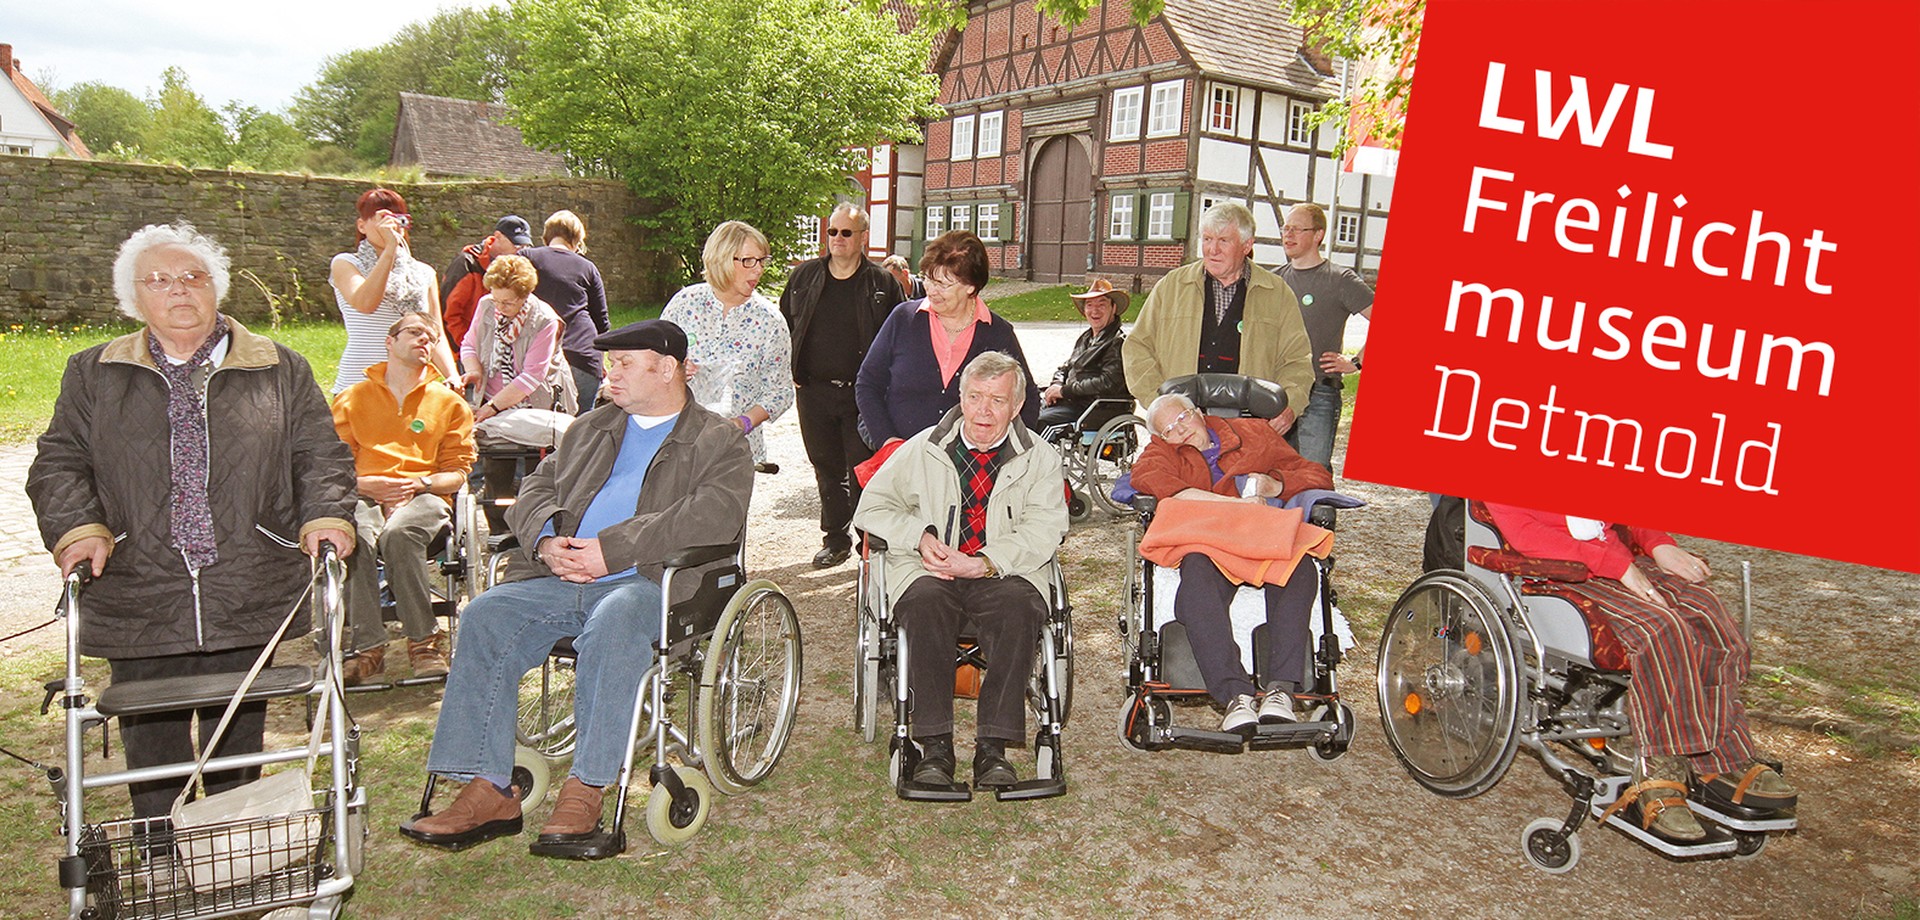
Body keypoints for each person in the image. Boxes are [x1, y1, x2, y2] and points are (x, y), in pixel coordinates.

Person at [27, 221, 356, 820]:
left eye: (193, 277)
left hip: (247, 578)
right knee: (150, 735)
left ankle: (232, 855)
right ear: (134, 297)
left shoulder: (280, 367)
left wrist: (326, 514)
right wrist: (80, 528)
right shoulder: (92, 372)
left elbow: (319, 454)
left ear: (216, 288)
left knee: (238, 730)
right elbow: (59, 461)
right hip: (137, 582)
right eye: (158, 281)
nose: (179, 291)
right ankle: (158, 854)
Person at [401, 319, 752, 853]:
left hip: (653, 584)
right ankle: (487, 787)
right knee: (483, 616)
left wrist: (613, 549)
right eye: (609, 365)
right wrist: (545, 541)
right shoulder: (591, 427)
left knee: (615, 622)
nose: (609, 375)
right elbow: (535, 489)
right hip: (562, 575)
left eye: (624, 364)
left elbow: (713, 516)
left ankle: (587, 785)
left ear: (667, 369)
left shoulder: (718, 440)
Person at [1483, 503, 1796, 842]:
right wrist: (1619, 567)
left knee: (1711, 618)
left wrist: (1661, 545)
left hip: (1617, 563)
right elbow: (1526, 534)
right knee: (1661, 631)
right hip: (1557, 574)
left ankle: (1721, 758)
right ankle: (1657, 774)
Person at [852, 352, 1068, 790]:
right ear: (962, 397)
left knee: (1021, 608)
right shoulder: (922, 448)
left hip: (1002, 572)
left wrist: (985, 562)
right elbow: (871, 509)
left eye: (998, 400)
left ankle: (994, 748)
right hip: (929, 569)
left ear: (1016, 405)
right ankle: (934, 747)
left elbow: (1046, 528)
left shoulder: (1040, 459)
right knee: (924, 603)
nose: (984, 410)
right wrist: (919, 537)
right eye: (975, 397)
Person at [1129, 392, 1332, 732]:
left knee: (1301, 569)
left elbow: (1315, 473)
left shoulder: (1253, 432)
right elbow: (1158, 485)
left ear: (1198, 412)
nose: (1179, 432)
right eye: (1168, 431)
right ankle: (1236, 695)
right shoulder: (1160, 452)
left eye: (1182, 420)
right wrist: (1239, 506)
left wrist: (1276, 484)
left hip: (1262, 536)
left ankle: (1280, 691)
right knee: (1195, 583)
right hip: (1209, 542)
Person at [331, 313, 477, 685]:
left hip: (424, 493)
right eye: (415, 333)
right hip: (364, 490)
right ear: (389, 341)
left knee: (400, 534)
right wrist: (368, 485)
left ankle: (424, 642)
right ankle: (368, 649)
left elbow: (458, 472)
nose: (424, 341)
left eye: (430, 336)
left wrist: (419, 483)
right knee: (357, 538)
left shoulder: (449, 404)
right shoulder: (353, 399)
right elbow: (331, 465)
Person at [780, 203, 905, 568]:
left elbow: (899, 336)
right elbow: (784, 325)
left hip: (862, 394)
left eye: (845, 233)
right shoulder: (803, 278)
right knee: (826, 467)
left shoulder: (882, 284)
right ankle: (835, 539)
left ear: (863, 238)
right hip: (814, 390)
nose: (836, 239)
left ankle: (868, 540)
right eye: (832, 232)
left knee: (863, 466)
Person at [1121, 202, 1313, 434]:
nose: (1213, 250)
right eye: (1207, 239)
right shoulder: (1172, 286)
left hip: (1251, 428)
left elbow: (1297, 361)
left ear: (1246, 245)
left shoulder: (1277, 293)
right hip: (1181, 428)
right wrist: (1160, 404)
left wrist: (1289, 405)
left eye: (1223, 240)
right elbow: (1136, 349)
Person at [856, 230, 1041, 448]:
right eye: (928, 279)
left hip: (966, 469)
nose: (931, 291)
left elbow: (1026, 398)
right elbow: (867, 384)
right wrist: (887, 441)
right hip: (901, 458)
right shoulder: (903, 319)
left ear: (971, 286)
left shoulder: (997, 333)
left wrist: (1003, 452)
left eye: (943, 284)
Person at [663, 220, 793, 473]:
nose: (758, 270)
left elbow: (780, 392)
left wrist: (742, 423)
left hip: (734, 451)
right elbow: (654, 361)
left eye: (761, 261)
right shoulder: (684, 304)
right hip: (677, 441)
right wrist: (676, 368)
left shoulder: (770, 321)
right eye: (748, 261)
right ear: (721, 259)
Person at [329, 188, 459, 395]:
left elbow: (435, 332)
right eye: (383, 218)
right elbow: (365, 303)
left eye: (399, 219)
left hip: (411, 384)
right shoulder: (346, 263)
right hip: (359, 382)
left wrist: (452, 375)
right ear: (362, 225)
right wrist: (390, 249)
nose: (392, 226)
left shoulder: (423, 272)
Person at [1277, 203, 1374, 474]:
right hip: (1277, 392)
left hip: (1320, 391)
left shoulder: (1339, 279)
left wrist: (1356, 363)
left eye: (1297, 229)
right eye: (1286, 228)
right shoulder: (1275, 281)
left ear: (1318, 234)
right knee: (1275, 473)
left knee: (1313, 475)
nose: (1288, 235)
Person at [459, 253, 578, 420]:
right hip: (489, 399)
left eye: (507, 302)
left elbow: (532, 376)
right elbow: (469, 345)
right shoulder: (487, 305)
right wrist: (474, 370)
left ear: (524, 296)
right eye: (496, 299)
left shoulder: (545, 320)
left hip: (534, 406)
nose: (500, 307)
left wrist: (493, 406)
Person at [517, 210, 610, 413]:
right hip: (583, 353)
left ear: (546, 235)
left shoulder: (526, 258)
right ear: (577, 240)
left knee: (539, 429)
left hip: (539, 355)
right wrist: (601, 359)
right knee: (581, 430)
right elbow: (601, 321)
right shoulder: (588, 267)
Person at [1037, 277, 1132, 435]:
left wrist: (1065, 391)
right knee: (1025, 410)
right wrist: (1056, 385)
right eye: (1089, 305)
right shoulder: (1086, 338)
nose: (1095, 311)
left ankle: (1039, 460)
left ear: (1113, 308)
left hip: (1093, 409)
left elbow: (1108, 382)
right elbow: (1066, 367)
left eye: (1101, 305)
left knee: (1038, 422)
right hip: (1070, 402)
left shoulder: (1117, 342)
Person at [439, 215, 533, 349]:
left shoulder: (518, 266)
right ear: (498, 236)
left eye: (525, 246)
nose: (520, 251)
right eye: (517, 244)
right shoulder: (467, 264)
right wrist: (468, 349)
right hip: (465, 350)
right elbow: (449, 314)